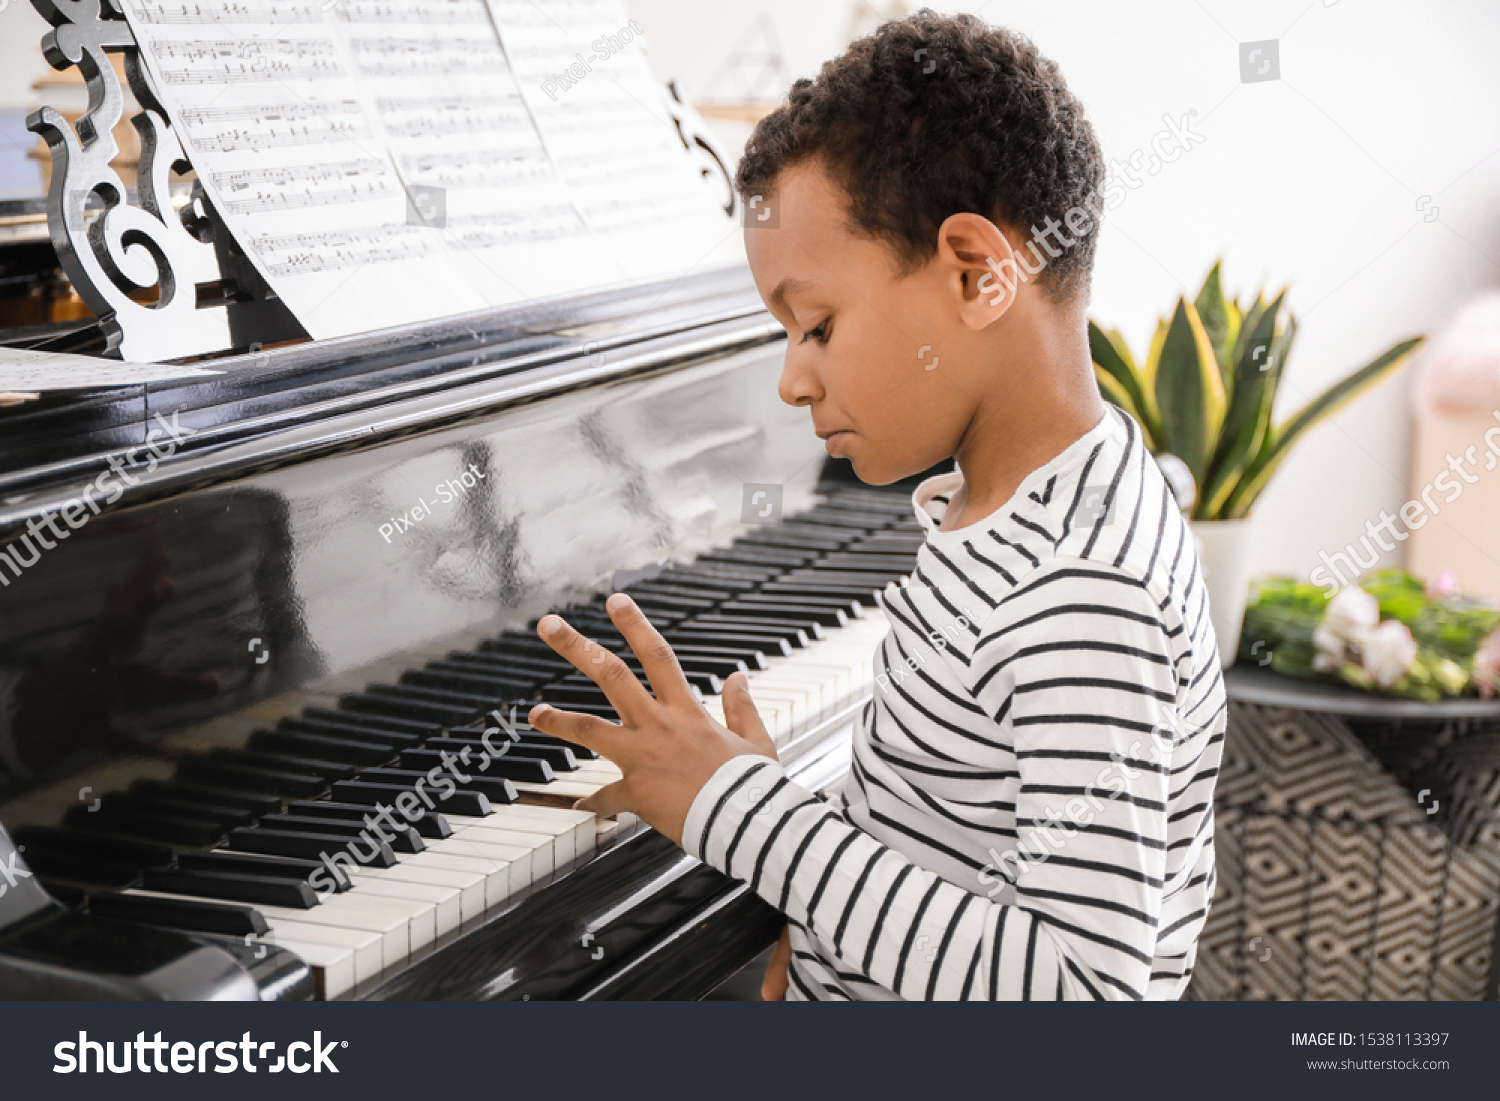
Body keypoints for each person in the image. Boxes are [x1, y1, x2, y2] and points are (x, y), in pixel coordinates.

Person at [527, 9, 1226, 1001]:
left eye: (815, 326)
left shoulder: (1084, 591)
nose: (790, 382)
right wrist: (804, 889)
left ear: (978, 275)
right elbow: (945, 831)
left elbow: (1083, 989)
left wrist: (751, 818)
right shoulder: (1000, 504)